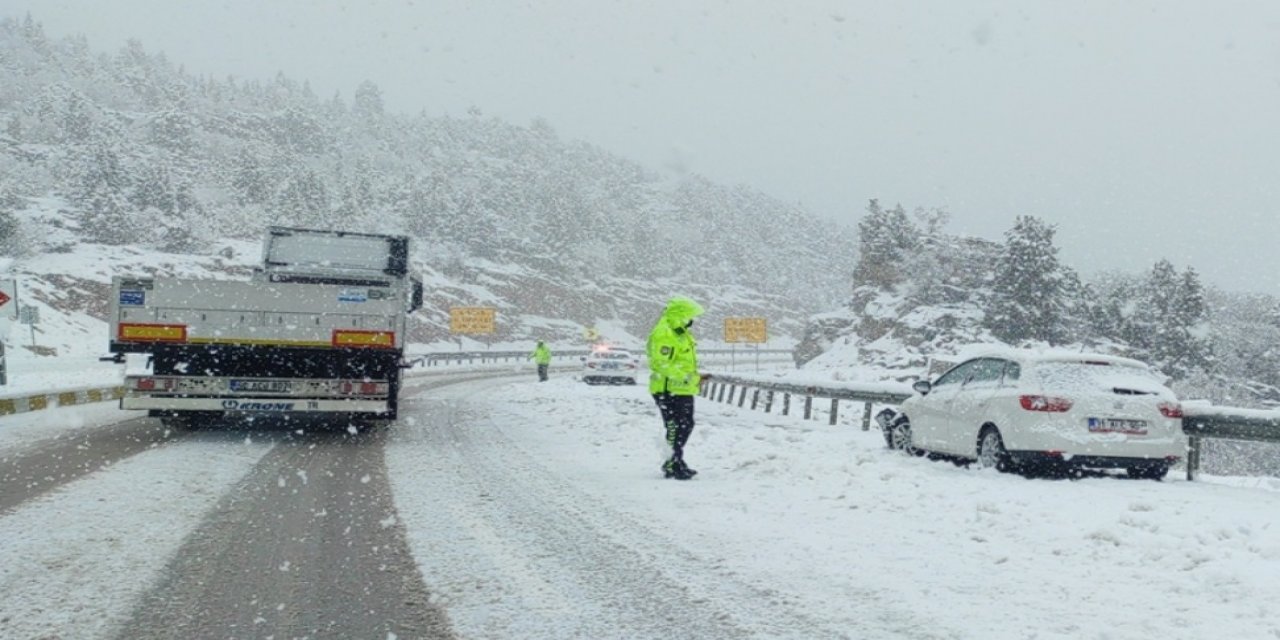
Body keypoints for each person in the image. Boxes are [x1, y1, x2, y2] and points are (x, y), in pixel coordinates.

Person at [646, 296, 710, 480]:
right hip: (668, 389)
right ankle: (672, 463)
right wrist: (688, 378)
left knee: (685, 425)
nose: (693, 320)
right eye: (690, 315)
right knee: (675, 427)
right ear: (681, 314)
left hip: (682, 389)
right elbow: (660, 363)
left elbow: (681, 362)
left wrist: (694, 379)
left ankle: (675, 460)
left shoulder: (680, 332)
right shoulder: (665, 333)